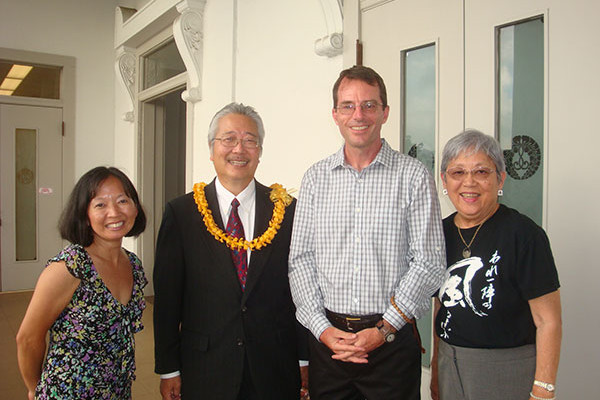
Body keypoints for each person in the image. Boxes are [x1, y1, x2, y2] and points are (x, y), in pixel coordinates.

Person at [288, 65, 446, 399]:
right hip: (329, 345)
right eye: (348, 105)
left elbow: (429, 262)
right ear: (335, 114)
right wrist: (323, 330)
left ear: (385, 112)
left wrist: (383, 328)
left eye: (369, 105)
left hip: (391, 343)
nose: (359, 115)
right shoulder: (316, 179)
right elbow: (300, 260)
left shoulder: (414, 177)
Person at [153, 102, 308, 400]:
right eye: (229, 139)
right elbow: (168, 298)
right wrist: (169, 369)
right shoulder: (182, 213)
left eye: (250, 140)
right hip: (205, 366)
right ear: (212, 150)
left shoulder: (287, 210)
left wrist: (304, 358)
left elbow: (300, 291)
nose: (239, 149)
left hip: (274, 366)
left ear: (259, 152)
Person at [430, 129, 562, 400]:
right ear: (444, 180)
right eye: (458, 173)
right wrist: (435, 368)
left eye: (481, 172)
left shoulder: (524, 235)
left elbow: (548, 321)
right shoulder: (437, 233)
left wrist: (543, 389)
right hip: (448, 362)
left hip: (507, 368)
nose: (469, 183)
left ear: (500, 178)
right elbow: (441, 305)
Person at [16, 166, 147, 400]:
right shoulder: (70, 267)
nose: (114, 212)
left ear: (135, 207)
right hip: (68, 392)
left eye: (122, 201)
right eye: (100, 205)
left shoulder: (134, 265)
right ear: (84, 215)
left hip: (117, 390)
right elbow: (27, 338)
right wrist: (34, 389)